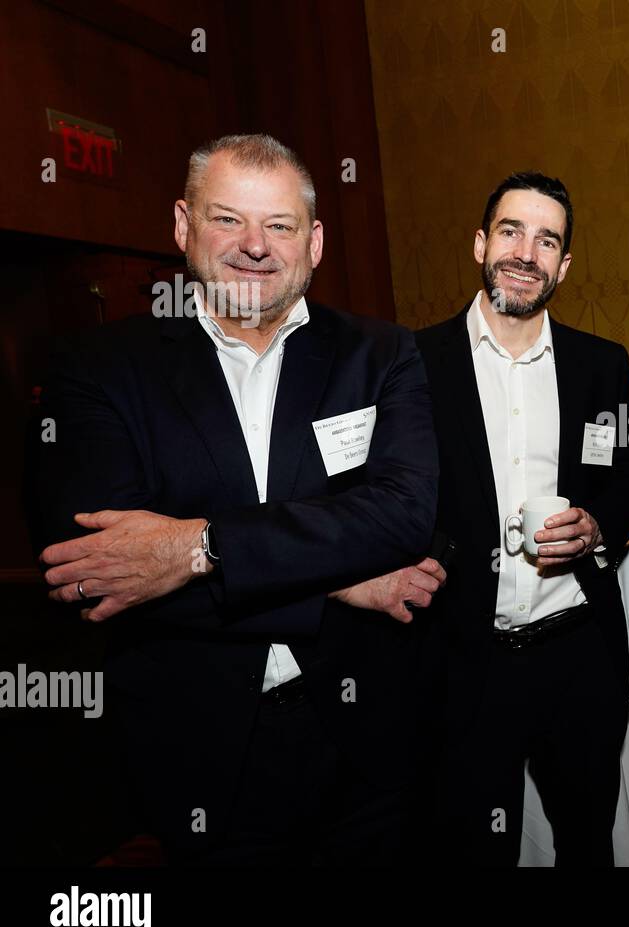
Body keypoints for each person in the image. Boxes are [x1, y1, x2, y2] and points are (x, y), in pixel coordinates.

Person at [30, 133, 441, 865]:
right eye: (227, 219)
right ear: (184, 226)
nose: (255, 245)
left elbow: (403, 515)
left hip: (368, 740)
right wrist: (339, 582)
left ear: (313, 242)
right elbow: (95, 569)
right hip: (200, 749)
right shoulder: (96, 369)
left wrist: (196, 548)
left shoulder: (381, 354)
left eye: (279, 226)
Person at [412, 171, 629, 866]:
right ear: (481, 242)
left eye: (547, 240)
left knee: (586, 844)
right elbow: (395, 498)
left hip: (578, 655)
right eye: (511, 231)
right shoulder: (415, 363)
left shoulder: (601, 365)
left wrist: (598, 527)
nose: (526, 251)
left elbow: (627, 481)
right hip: (465, 659)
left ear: (563, 265)